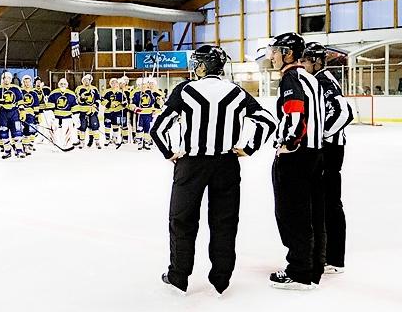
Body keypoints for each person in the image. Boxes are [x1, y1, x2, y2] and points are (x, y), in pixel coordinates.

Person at [150, 45, 276, 295]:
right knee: (224, 221)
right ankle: (221, 278)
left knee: (182, 219)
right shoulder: (236, 92)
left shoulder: (185, 90)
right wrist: (248, 148)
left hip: (191, 164)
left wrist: (169, 152)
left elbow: (159, 127)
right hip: (226, 164)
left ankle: (179, 276)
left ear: (202, 66)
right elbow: (267, 121)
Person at [266, 32, 325, 290]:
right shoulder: (311, 78)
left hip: (297, 157)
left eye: (276, 51)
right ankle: (312, 268)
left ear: (288, 53)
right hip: (315, 154)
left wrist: (288, 144)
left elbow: (294, 111)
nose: (272, 56)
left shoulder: (291, 77)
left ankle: (299, 272)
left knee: (292, 213)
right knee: (310, 212)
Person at [300, 42, 354, 275]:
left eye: (305, 61)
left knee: (331, 202)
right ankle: (326, 254)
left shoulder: (323, 80)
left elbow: (344, 112)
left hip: (330, 151)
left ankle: (334, 258)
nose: (302, 65)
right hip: (327, 149)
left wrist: (320, 134)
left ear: (317, 61)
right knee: (323, 202)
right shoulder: (319, 80)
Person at [0, 71, 25, 159]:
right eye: (4, 78)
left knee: (17, 132)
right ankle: (7, 151)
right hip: (3, 114)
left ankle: (19, 150)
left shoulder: (16, 88)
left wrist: (22, 111)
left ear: (11, 79)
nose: (6, 80)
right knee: (3, 133)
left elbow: (21, 101)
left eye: (8, 78)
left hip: (14, 113)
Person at [46, 78, 79, 150]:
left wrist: (75, 118)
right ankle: (56, 146)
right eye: (61, 84)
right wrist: (51, 116)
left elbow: (75, 106)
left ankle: (67, 145)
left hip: (67, 117)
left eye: (64, 84)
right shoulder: (53, 93)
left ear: (67, 85)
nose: (63, 85)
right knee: (55, 132)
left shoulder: (71, 94)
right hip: (56, 117)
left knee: (67, 132)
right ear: (58, 85)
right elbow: (50, 106)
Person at [131, 77, 163, 150]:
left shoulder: (152, 93)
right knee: (139, 128)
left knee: (147, 128)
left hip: (149, 114)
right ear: (138, 86)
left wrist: (159, 102)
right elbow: (132, 104)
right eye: (141, 85)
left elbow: (157, 104)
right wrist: (135, 108)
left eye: (145, 84)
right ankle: (139, 142)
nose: (143, 86)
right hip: (140, 114)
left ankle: (146, 141)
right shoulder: (136, 94)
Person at [75, 74, 101, 149]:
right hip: (82, 110)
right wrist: (82, 99)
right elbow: (76, 99)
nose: (86, 82)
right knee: (82, 126)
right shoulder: (79, 88)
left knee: (94, 125)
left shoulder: (94, 88)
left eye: (87, 80)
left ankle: (96, 141)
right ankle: (81, 142)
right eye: (84, 80)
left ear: (90, 81)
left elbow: (98, 99)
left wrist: (95, 105)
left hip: (92, 109)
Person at [101, 78, 126, 147]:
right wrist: (109, 104)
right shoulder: (106, 92)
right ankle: (107, 139)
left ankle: (115, 138)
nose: (114, 84)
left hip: (117, 112)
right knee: (107, 125)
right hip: (108, 111)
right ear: (110, 84)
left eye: (115, 83)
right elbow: (102, 100)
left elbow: (125, 102)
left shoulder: (121, 92)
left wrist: (123, 103)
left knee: (116, 125)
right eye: (112, 83)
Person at [19, 75, 40, 154]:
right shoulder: (20, 92)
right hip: (21, 113)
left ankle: (29, 144)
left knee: (31, 129)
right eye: (25, 82)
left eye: (28, 82)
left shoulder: (34, 93)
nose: (27, 83)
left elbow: (36, 104)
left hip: (31, 113)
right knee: (23, 129)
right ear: (23, 82)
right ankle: (24, 145)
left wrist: (37, 115)